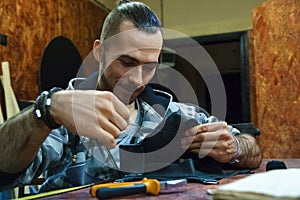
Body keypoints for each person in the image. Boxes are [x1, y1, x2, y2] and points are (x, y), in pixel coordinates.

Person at [0, 0, 262, 193]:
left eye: (149, 66)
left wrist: (235, 148)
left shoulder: (174, 115)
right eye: (126, 62)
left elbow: (252, 150)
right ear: (100, 51)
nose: (137, 79)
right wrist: (44, 112)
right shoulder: (65, 114)